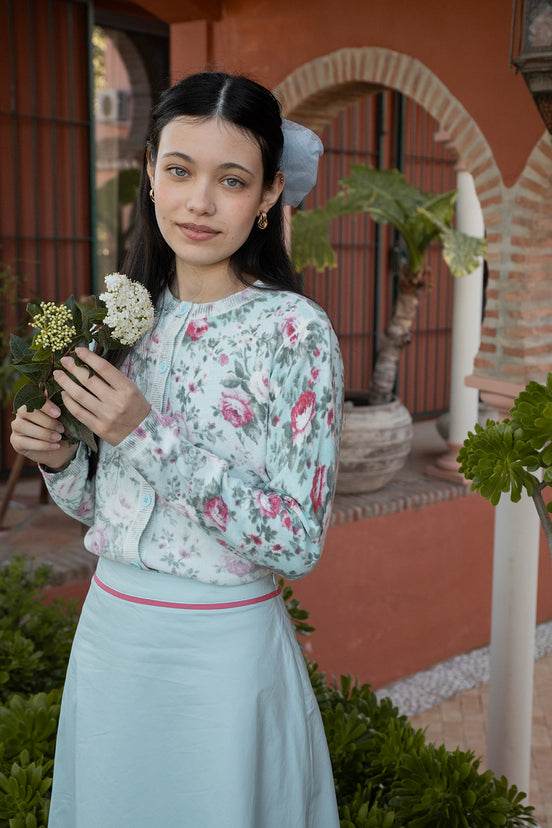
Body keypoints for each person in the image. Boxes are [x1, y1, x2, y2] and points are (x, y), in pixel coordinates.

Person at [10, 71, 344, 828]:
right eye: (180, 170)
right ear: (150, 174)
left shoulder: (294, 333)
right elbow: (108, 506)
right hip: (111, 636)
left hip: (222, 654)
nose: (199, 202)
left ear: (268, 195)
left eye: (232, 180)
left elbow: (297, 542)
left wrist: (144, 433)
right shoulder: (123, 321)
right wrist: (60, 460)